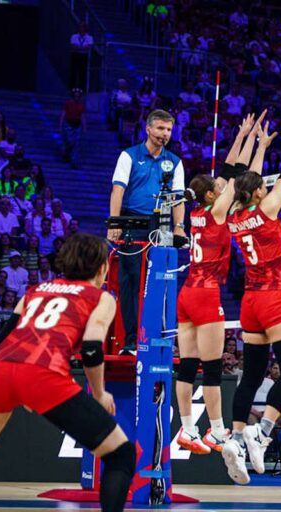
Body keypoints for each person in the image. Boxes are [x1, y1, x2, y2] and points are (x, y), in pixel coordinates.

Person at [0, 234, 133, 512]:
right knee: (121, 455)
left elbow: (3, 339)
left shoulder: (35, 290)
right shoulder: (101, 297)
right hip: (43, 372)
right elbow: (91, 350)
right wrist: (99, 394)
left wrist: (17, 387)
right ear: (102, 268)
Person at [223, 114, 281, 483]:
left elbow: (241, 178)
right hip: (275, 298)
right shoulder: (268, 208)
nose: (266, 186)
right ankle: (260, 435)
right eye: (263, 185)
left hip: (250, 302)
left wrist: (260, 145)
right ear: (260, 192)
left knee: (252, 376)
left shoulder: (233, 214)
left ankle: (235, 439)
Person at [172, 114, 258, 457]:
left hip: (187, 292)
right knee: (211, 368)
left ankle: (188, 428)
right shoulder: (217, 212)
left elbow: (227, 171)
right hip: (206, 293)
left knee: (187, 365)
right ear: (211, 194)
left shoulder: (197, 212)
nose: (224, 189)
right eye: (218, 188)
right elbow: (238, 175)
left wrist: (242, 135)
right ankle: (218, 431)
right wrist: (252, 141)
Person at [109, 109, 186, 353]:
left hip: (161, 225)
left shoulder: (175, 162)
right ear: (149, 128)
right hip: (132, 223)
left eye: (169, 130)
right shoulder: (129, 155)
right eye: (161, 128)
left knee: (161, 280)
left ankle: (159, 338)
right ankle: (131, 341)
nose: (165, 134)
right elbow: (118, 190)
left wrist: (179, 227)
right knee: (130, 281)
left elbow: (178, 198)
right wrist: (115, 223)